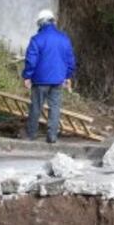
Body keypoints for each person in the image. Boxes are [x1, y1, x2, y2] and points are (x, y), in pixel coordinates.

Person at [22, 8, 76, 143]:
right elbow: (70, 60)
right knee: (55, 108)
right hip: (58, 80)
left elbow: (31, 60)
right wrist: (67, 76)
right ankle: (52, 136)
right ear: (53, 21)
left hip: (40, 80)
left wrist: (27, 76)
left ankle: (31, 135)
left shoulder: (36, 39)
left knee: (36, 107)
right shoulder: (64, 39)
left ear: (40, 23)